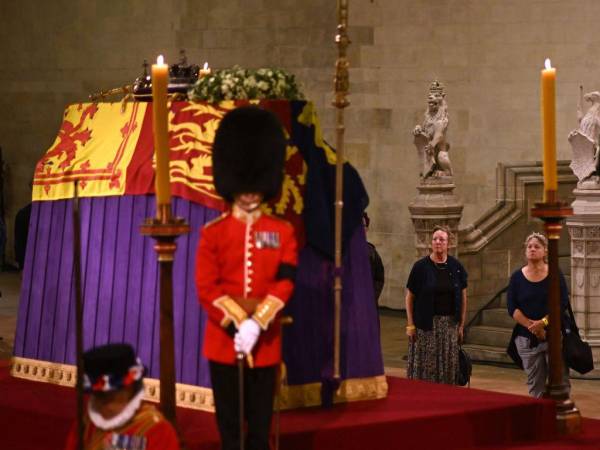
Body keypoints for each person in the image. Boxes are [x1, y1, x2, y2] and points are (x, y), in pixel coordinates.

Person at [195, 106, 298, 450]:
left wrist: (259, 321)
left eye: (256, 184)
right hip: (223, 343)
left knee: (259, 428)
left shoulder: (281, 232)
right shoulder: (214, 233)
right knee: (229, 427)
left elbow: (285, 281)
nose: (250, 191)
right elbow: (207, 287)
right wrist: (239, 322)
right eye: (245, 184)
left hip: (266, 343)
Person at [63, 343, 180, 450]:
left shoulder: (157, 430)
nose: (101, 404)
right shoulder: (85, 424)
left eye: (109, 396)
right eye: (97, 395)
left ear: (130, 388)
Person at [506, 232, 569, 398]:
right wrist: (533, 327)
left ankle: (559, 418)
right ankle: (541, 419)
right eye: (529, 247)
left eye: (537, 246)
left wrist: (544, 323)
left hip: (553, 335)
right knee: (536, 384)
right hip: (526, 338)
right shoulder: (517, 278)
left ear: (545, 251)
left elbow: (561, 303)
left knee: (560, 382)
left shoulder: (555, 273)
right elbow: (512, 307)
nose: (532, 249)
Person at [405, 225, 468, 384]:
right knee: (427, 368)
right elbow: (409, 297)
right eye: (435, 239)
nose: (438, 242)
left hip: (449, 326)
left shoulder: (456, 267)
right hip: (426, 327)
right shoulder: (420, 267)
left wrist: (461, 325)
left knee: (447, 366)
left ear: (449, 243)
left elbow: (463, 296)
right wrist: (410, 325)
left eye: (442, 239)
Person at [363, 212, 385, 305]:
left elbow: (379, 278)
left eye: (363, 225)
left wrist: (371, 297)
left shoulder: (371, 253)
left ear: (366, 228)